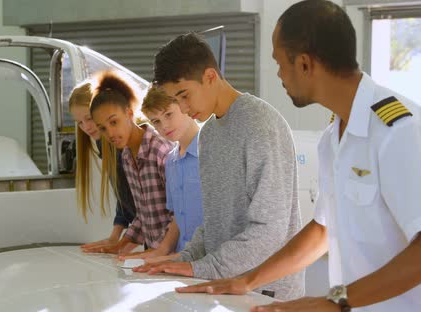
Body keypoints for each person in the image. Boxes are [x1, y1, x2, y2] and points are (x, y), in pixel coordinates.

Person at [176, 1, 421, 311]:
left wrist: (334, 302)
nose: (279, 75)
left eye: (279, 63)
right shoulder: (332, 138)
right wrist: (247, 281)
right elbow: (322, 231)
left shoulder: (399, 130)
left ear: (304, 64)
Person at [134, 32, 304, 300]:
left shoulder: (260, 124)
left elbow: (270, 229)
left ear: (210, 77)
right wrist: (184, 259)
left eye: (184, 95)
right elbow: (213, 221)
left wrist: (204, 267)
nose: (184, 107)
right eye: (176, 100)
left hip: (266, 291)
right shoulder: (209, 134)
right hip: (224, 285)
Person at [89, 70, 174, 253]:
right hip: (154, 258)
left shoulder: (161, 150)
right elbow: (144, 214)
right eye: (102, 128)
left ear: (129, 113)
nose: (110, 134)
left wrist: (157, 251)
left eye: (114, 122)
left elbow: (179, 216)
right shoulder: (127, 157)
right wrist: (120, 245)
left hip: (173, 255)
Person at [121, 86, 203, 262]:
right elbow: (178, 219)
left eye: (168, 114)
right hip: (181, 260)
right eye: (156, 121)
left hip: (208, 260)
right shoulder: (171, 161)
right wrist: (160, 251)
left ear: (184, 105)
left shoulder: (210, 152)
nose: (164, 126)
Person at [68, 78, 138, 254]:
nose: (86, 127)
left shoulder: (124, 144)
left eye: (89, 119)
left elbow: (147, 205)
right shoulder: (103, 143)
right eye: (79, 123)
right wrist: (114, 237)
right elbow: (124, 194)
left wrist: (124, 241)